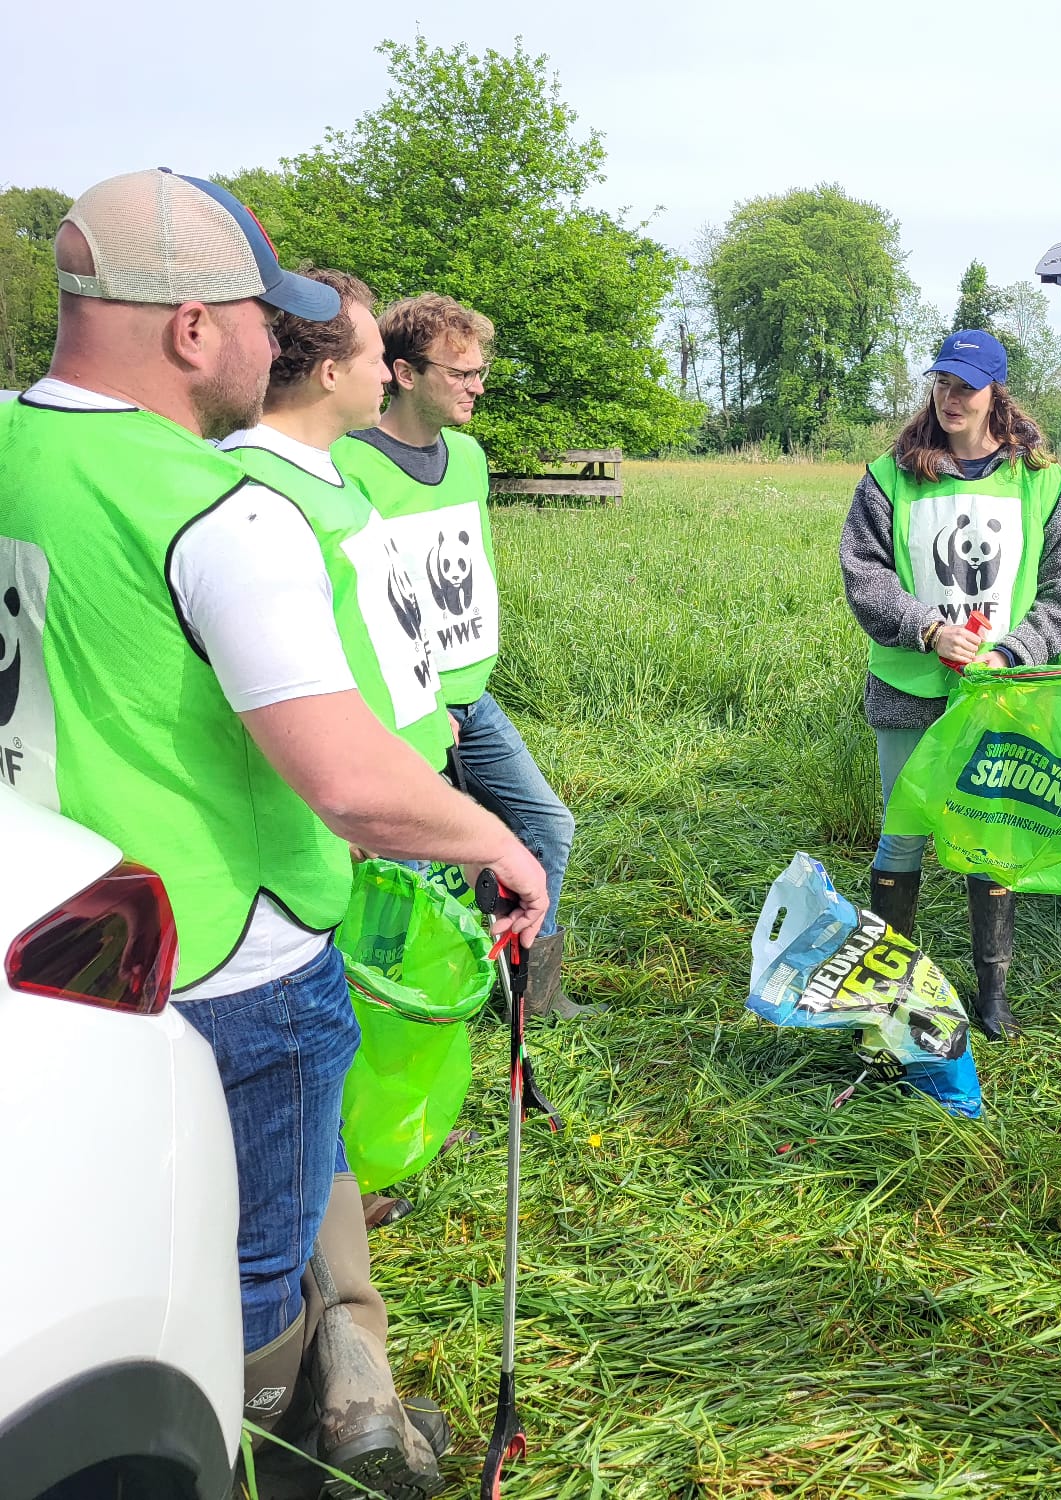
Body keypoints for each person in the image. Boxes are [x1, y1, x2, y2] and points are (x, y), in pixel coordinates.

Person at [0, 170, 545, 1488]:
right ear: (193, 328)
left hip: (54, 939)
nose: (275, 342)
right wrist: (496, 842)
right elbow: (346, 781)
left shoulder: (16, 442)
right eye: (262, 315)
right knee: (247, 1258)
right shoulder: (219, 510)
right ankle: (257, 1455)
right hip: (229, 954)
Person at [218, 266, 459, 1491]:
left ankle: (357, 1383)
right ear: (327, 370)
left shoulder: (327, 481)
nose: (388, 369)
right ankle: (317, 1419)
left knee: (320, 1097)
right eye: (373, 354)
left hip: (374, 815)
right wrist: (382, 802)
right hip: (325, 837)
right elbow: (300, 694)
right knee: (296, 1110)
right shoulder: (254, 497)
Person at [840, 329, 1061, 1039]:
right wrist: (926, 627)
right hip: (909, 688)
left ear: (995, 394)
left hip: (999, 694)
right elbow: (863, 573)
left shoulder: (1041, 481)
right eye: (942, 384)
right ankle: (887, 991)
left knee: (991, 839)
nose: (951, 398)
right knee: (902, 839)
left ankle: (993, 996)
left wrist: (1016, 650)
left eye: (966, 387)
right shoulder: (889, 476)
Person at [332, 294, 580, 1018]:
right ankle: (398, 1009)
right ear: (405, 374)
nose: (477, 386)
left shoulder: (469, 456)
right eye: (460, 372)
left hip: (474, 695)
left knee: (546, 825)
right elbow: (357, 599)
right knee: (407, 862)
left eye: (480, 371)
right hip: (404, 704)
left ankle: (528, 995)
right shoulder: (351, 464)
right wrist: (415, 704)